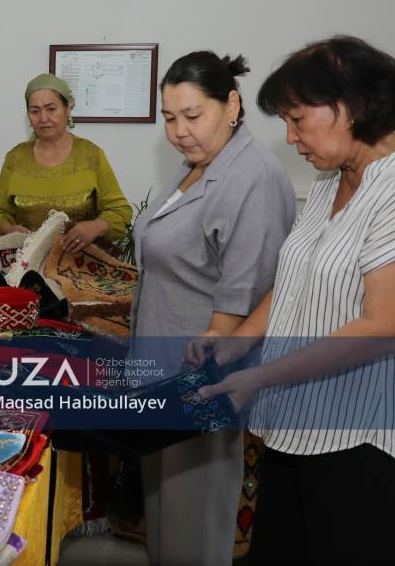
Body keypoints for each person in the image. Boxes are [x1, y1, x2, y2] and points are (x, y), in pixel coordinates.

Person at [186, 35, 395, 564]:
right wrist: (235, 343)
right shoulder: (328, 181)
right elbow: (294, 283)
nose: (290, 138)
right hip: (295, 426)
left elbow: (387, 328)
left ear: (351, 107)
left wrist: (259, 376)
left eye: (297, 119)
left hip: (366, 442)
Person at [127, 51, 296, 566]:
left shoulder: (253, 178)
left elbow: (243, 297)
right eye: (169, 118)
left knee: (193, 528)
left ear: (232, 106)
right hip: (160, 371)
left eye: (192, 115)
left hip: (199, 381)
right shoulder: (197, 168)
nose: (179, 131)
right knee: (165, 518)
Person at [0, 73, 132, 251]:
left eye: (51, 109)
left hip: (82, 262)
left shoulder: (91, 155)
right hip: (26, 262)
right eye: (35, 111)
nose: (43, 118)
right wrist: (9, 229)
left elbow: (121, 212)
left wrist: (95, 227)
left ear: (67, 109)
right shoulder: (15, 158)